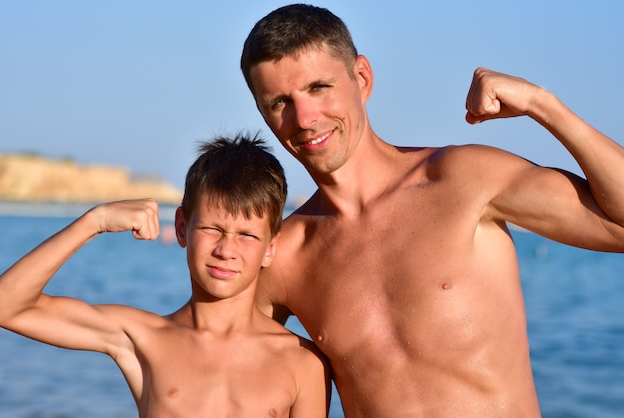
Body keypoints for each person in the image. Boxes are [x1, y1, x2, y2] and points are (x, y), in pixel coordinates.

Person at [240, 4, 624, 417]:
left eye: (319, 87)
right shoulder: (285, 258)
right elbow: (212, 365)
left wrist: (542, 104)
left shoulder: (463, 181)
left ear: (362, 78)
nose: (305, 118)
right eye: (280, 101)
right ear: (263, 113)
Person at [0, 133, 331, 417]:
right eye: (212, 229)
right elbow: (6, 306)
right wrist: (94, 221)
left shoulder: (301, 363)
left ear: (270, 249)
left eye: (247, 235)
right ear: (183, 228)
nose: (226, 250)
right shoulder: (143, 338)